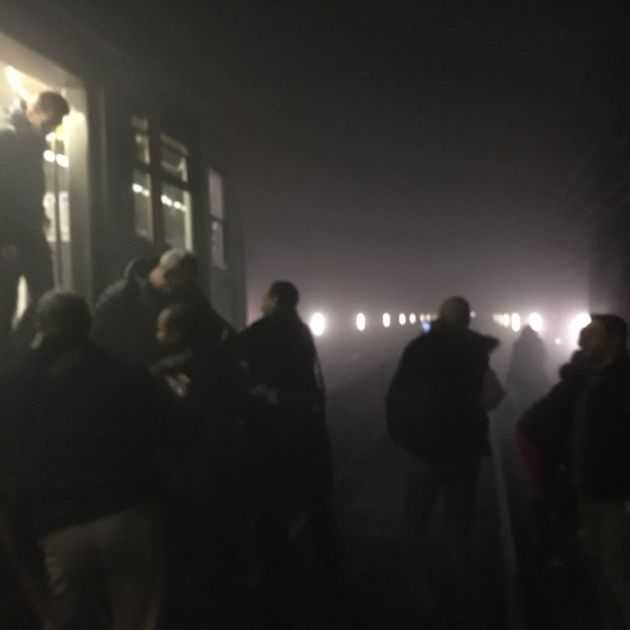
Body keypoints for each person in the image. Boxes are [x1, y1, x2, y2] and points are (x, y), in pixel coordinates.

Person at [8, 291, 164, 630]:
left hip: (57, 520)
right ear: (88, 324)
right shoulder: (123, 373)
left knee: (69, 616)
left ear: (42, 327)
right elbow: (154, 434)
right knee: (132, 613)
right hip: (123, 508)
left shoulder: (22, 385)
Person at [387, 296, 503, 601]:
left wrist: (400, 435)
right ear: (468, 319)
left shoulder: (419, 349)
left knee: (417, 519)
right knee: (459, 519)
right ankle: (461, 585)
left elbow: (397, 395)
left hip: (423, 448)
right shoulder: (475, 352)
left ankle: (416, 585)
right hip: (463, 449)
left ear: (440, 317)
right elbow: (494, 396)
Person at [234, 281, 335, 624]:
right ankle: (322, 564)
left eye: (266, 297)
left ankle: (276, 578)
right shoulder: (302, 330)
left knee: (271, 504)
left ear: (275, 299)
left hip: (272, 428)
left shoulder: (263, 330)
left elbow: (232, 357)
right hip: (306, 427)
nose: (262, 302)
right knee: (314, 500)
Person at [151, 303, 248, 623]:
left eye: (161, 330)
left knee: (190, 549)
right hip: (225, 464)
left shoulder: (163, 372)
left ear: (177, 333)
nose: (156, 335)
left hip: (187, 472)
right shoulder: (225, 364)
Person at [0, 92, 70, 362]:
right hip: (16, 235)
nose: (52, 129)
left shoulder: (23, 141)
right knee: (19, 299)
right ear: (37, 110)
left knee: (33, 297)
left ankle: (13, 354)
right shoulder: (10, 139)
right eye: (52, 122)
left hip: (24, 232)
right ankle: (14, 354)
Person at [572, 314, 630, 629]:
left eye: (594, 336)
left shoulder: (620, 381)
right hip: (595, 487)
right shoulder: (597, 377)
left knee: (616, 567)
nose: (584, 342)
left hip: (615, 492)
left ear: (614, 341)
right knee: (603, 566)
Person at [92, 248, 233, 366]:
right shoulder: (119, 298)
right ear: (167, 274)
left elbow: (212, 329)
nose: (184, 287)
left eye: (187, 282)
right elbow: (101, 342)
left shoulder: (188, 293)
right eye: (181, 281)